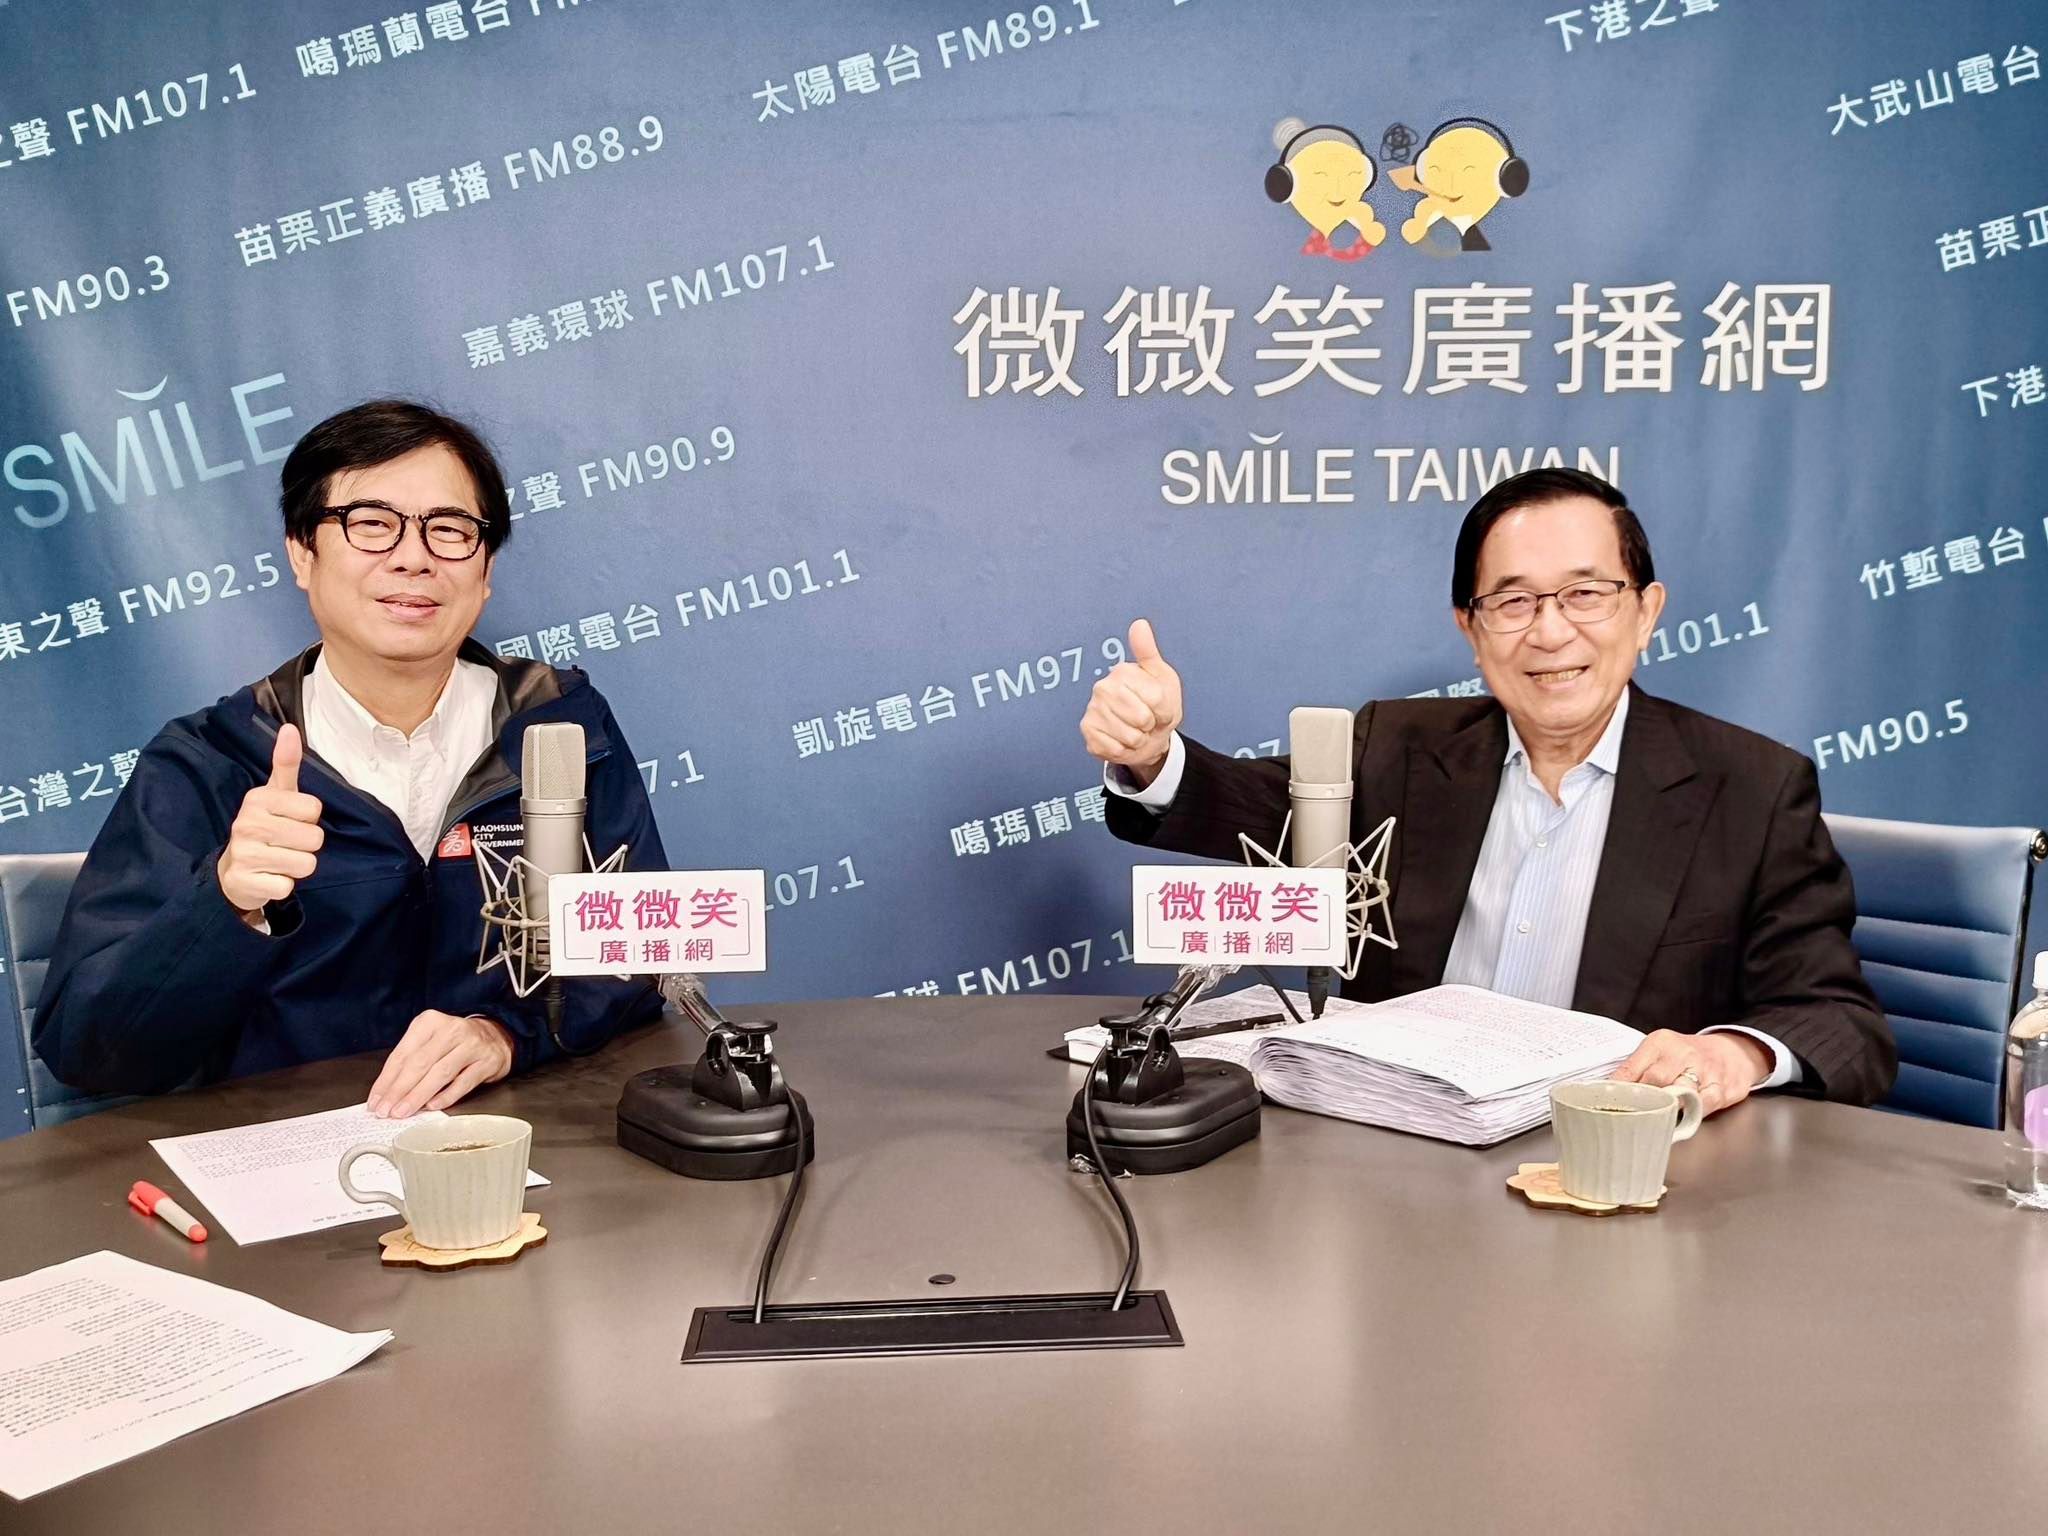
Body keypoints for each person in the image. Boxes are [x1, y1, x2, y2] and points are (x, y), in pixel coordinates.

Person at [1079, 467, 1895, 1112]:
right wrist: (1153, 755)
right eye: (1512, 601)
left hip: (1609, 1174)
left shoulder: (1751, 789)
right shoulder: (1398, 748)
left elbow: (1839, 1021)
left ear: (1646, 612)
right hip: (1398, 1149)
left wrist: (1732, 1053)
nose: (1550, 630)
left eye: (1586, 594)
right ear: (1470, 630)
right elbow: (1245, 806)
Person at [36, 400, 666, 1116]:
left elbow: (642, 953)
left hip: (521, 1136)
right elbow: (88, 1047)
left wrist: (504, 1036)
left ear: (486, 567)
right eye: (371, 523)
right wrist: (225, 902)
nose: (413, 557)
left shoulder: (559, 726)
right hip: (290, 1153)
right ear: (302, 553)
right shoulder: (214, 760)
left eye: (450, 529)